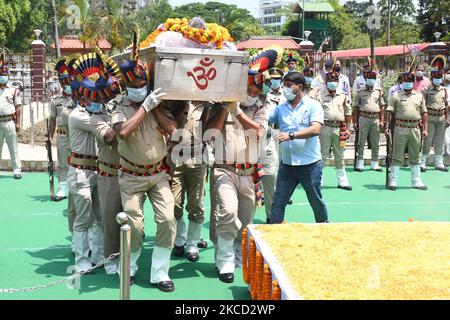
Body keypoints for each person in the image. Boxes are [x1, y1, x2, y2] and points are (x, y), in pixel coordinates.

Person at [112, 36, 177, 291]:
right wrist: (144, 108)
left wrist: (154, 105)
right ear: (126, 84)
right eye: (135, 83)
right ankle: (130, 266)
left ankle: (160, 272)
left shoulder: (155, 102)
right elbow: (123, 131)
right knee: (134, 225)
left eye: (143, 82)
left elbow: (173, 130)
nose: (139, 86)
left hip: (158, 174)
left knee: (167, 220)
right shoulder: (117, 105)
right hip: (131, 177)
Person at [207, 48, 275, 283]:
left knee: (245, 221)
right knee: (228, 212)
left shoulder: (263, 109)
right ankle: (224, 259)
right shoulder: (222, 105)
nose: (252, 90)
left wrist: (237, 112)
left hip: (249, 174)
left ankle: (236, 254)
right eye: (248, 87)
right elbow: (209, 135)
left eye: (256, 87)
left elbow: (258, 134)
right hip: (224, 169)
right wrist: (224, 108)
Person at [269, 71, 328, 224]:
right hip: (287, 165)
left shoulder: (313, 105)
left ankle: (325, 229)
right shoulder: (281, 108)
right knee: (278, 202)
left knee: (315, 201)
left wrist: (291, 135)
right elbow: (266, 119)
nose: (285, 89)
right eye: (284, 85)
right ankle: (274, 234)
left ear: (299, 87)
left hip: (310, 165)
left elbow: (316, 129)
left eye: (289, 86)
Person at [68, 53, 109, 273]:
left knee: (99, 217)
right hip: (81, 172)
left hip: (96, 171)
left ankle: (98, 255)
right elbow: (106, 129)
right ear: (83, 99)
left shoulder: (94, 113)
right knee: (84, 219)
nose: (98, 101)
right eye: (93, 98)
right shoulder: (79, 116)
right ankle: (81, 260)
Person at [90, 52, 124, 274]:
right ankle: (111, 258)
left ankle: (129, 256)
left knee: (130, 219)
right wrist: (119, 117)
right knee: (111, 220)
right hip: (109, 175)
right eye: (109, 95)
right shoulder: (97, 116)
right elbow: (111, 137)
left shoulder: (125, 108)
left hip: (131, 172)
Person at [167, 100, 210, 262]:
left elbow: (210, 130)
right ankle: (179, 239)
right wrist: (182, 104)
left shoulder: (206, 103)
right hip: (176, 155)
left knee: (196, 203)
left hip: (197, 156)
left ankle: (192, 243)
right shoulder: (176, 101)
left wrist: (208, 106)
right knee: (175, 202)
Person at [386, 71, 428, 190]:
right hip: (400, 128)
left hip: (415, 128)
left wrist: (425, 129)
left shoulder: (419, 96)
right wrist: (387, 127)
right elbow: (389, 112)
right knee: (397, 155)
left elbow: (424, 113)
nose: (408, 83)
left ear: (413, 82)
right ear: (402, 82)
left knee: (415, 156)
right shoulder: (396, 95)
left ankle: (416, 181)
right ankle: (393, 180)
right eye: (405, 81)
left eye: (410, 81)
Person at [316, 70, 353, 190]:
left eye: (334, 81)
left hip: (340, 128)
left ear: (338, 82)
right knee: (322, 155)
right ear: (326, 82)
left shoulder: (343, 95)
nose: (332, 83)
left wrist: (348, 128)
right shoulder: (320, 96)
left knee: (340, 155)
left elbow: (348, 113)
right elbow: (316, 114)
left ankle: (342, 182)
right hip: (325, 127)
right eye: (330, 81)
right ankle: (319, 181)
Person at [49, 58, 75, 201]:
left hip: (77, 135)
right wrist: (49, 136)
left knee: (78, 160)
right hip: (62, 135)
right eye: (63, 82)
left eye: (68, 81)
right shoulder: (56, 100)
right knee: (63, 161)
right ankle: (62, 187)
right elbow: (52, 119)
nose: (66, 85)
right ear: (60, 83)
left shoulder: (78, 98)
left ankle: (74, 186)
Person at [261, 67, 284, 223]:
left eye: (272, 81)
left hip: (273, 136)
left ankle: (272, 216)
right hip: (252, 142)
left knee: (273, 176)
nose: (270, 84)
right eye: (267, 81)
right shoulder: (251, 98)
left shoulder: (284, 96)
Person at [353, 68, 385, 172]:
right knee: (361, 142)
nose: (371, 80)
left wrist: (382, 120)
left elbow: (382, 106)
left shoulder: (378, 91)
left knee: (376, 142)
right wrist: (354, 121)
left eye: (373, 78)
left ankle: (374, 163)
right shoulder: (360, 91)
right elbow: (356, 108)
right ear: (365, 79)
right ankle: (360, 163)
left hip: (375, 118)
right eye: (369, 78)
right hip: (364, 118)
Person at [420, 57, 448, 172]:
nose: (438, 80)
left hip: (441, 118)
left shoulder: (443, 90)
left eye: (439, 78)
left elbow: (446, 104)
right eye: (435, 78)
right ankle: (422, 163)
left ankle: (439, 163)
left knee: (439, 141)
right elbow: (422, 106)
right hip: (430, 117)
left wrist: (447, 117)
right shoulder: (426, 90)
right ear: (432, 78)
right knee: (427, 140)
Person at [0, 59, 22, 179]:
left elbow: (18, 107)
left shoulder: (13, 89)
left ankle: (17, 170)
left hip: (9, 121)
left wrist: (18, 123)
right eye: (1, 74)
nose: (2, 76)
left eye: (4, 75)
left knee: (13, 147)